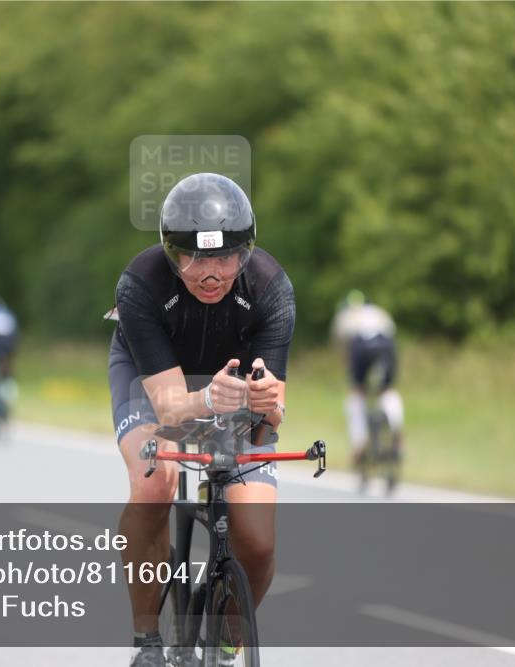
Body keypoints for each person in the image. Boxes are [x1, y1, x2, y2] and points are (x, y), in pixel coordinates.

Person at [109, 173, 295, 667]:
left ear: (245, 252)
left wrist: (267, 399)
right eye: (193, 258)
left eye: (223, 258)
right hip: (154, 382)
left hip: (230, 388)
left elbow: (273, 415)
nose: (210, 274)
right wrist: (209, 398)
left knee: (256, 539)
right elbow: (170, 409)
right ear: (171, 255)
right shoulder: (141, 283)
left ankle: (227, 637)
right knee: (155, 482)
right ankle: (147, 641)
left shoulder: (272, 288)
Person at [331, 290, 404, 469]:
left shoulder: (344, 316)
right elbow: (392, 337)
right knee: (387, 391)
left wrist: (353, 379)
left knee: (357, 395)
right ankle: (397, 432)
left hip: (361, 346)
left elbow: (343, 352)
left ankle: (359, 444)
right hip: (385, 344)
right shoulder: (378, 312)